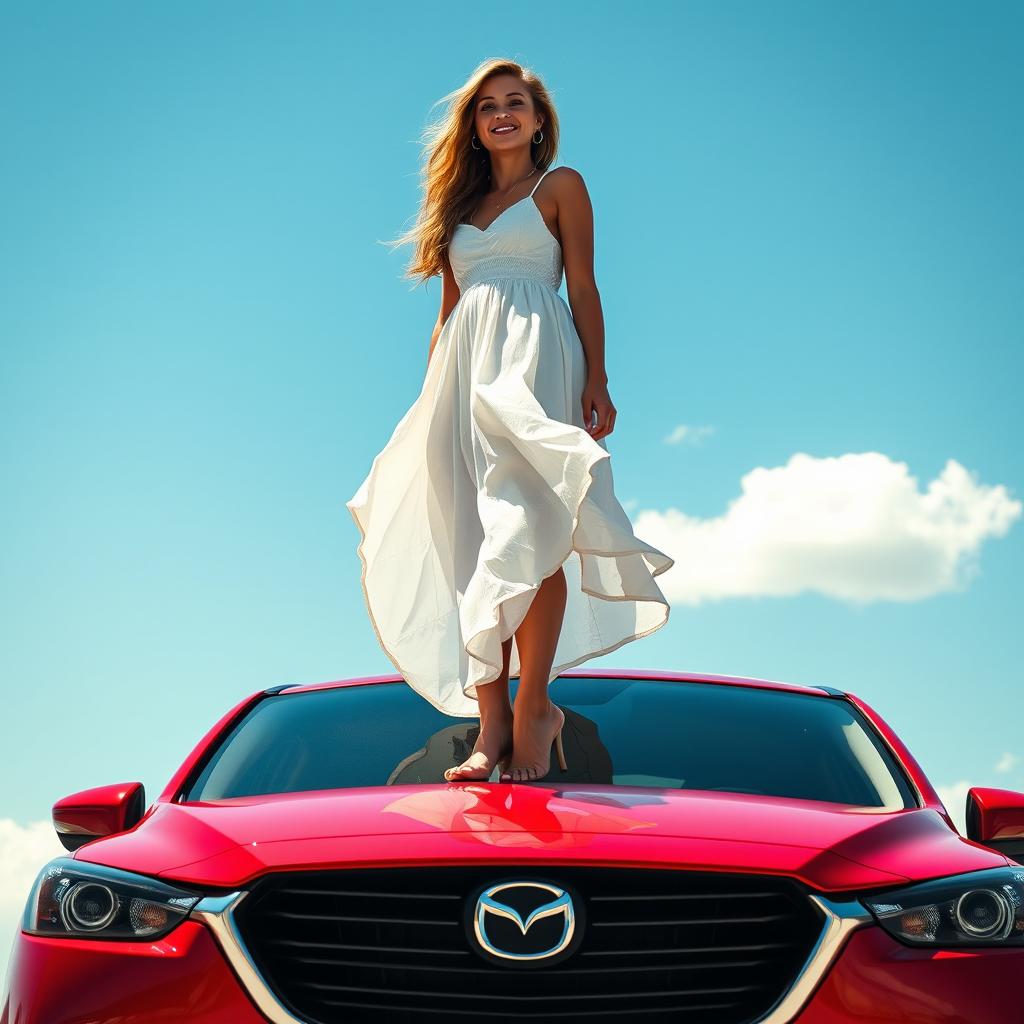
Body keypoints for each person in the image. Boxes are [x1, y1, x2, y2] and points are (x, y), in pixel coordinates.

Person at [346, 58, 673, 784]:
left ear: (538, 118)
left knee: (533, 526)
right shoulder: (454, 209)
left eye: (516, 103)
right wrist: (428, 402)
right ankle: (489, 724)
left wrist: (599, 376)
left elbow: (583, 285)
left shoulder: (560, 187)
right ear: (473, 123)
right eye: (488, 105)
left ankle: (534, 708)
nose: (502, 114)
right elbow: (447, 316)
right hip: (460, 378)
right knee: (468, 538)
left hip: (535, 362)